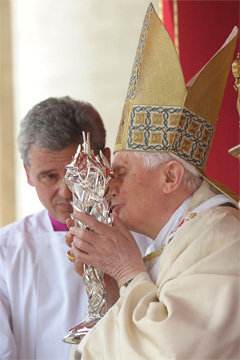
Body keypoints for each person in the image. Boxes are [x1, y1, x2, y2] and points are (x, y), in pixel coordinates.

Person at [66, 5, 240, 359]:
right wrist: (112, 288)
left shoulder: (222, 238)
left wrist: (127, 269)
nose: (108, 186)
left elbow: (171, 349)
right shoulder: (180, 237)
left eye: (121, 172)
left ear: (171, 177)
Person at [0, 95, 152, 360]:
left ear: (105, 161)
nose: (66, 191)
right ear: (27, 172)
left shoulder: (148, 239)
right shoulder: (7, 250)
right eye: (49, 176)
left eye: (77, 173)